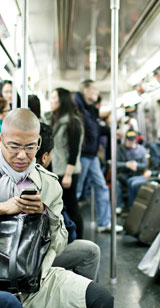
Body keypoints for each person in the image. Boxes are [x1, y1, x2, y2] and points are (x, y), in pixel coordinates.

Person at [0, 108, 113, 307]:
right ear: (1, 139)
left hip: (35, 278)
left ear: (39, 144)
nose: (22, 155)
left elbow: (60, 244)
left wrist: (45, 214)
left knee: (101, 298)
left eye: (30, 147)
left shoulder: (48, 183)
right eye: (14, 146)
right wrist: (3, 208)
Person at [36, 122, 100, 281]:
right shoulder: (48, 183)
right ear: (45, 157)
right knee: (91, 251)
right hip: (36, 255)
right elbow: (64, 233)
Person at [74, 79, 123, 232]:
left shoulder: (91, 109)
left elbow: (95, 128)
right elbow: (88, 129)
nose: (97, 92)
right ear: (85, 91)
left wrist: (111, 131)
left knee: (101, 187)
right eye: (94, 89)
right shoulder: (78, 108)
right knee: (76, 191)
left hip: (92, 155)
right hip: (81, 155)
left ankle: (104, 223)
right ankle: (65, 223)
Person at [44, 88, 85, 238]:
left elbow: (74, 150)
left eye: (54, 97)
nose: (51, 100)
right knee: (64, 206)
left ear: (62, 100)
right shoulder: (58, 121)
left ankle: (79, 239)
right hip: (58, 171)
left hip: (68, 172)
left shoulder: (73, 122)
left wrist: (68, 174)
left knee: (72, 207)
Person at [116, 129, 148, 212]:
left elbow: (145, 165)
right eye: (129, 140)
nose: (131, 142)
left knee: (134, 183)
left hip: (137, 175)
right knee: (116, 184)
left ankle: (133, 207)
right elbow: (115, 164)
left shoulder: (141, 150)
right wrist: (126, 165)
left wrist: (136, 165)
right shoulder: (120, 150)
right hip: (123, 176)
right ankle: (119, 206)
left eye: (133, 140)